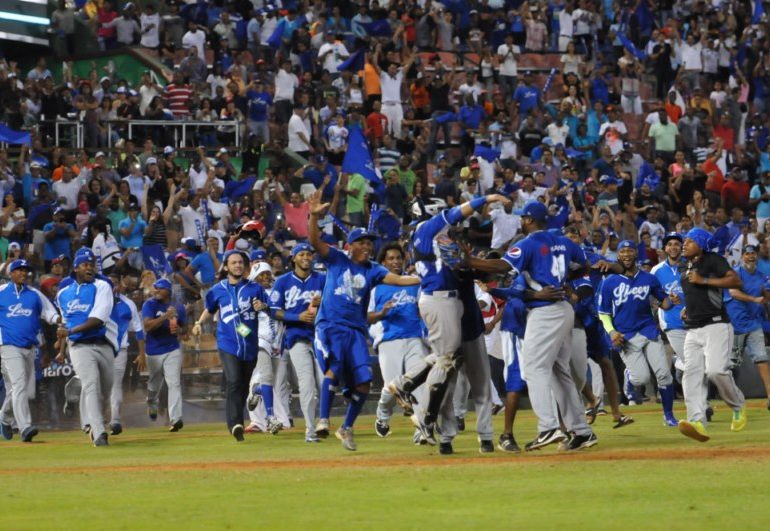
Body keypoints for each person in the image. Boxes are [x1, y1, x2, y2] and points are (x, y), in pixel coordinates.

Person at [465, 200, 597, 451]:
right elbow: (584, 266)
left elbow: (502, 266)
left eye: (522, 219)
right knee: (560, 371)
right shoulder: (565, 241)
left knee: (534, 368)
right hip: (564, 309)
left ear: (528, 220)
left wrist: (470, 260)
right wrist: (566, 282)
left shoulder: (527, 243)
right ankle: (581, 431)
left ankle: (548, 428)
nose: (520, 222)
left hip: (545, 312)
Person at [387, 193, 510, 455]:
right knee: (448, 371)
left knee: (474, 380)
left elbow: (482, 271)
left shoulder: (435, 245)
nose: (453, 236)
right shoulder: (430, 231)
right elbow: (455, 215)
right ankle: (430, 421)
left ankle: (483, 436)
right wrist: (486, 198)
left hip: (466, 319)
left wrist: (471, 262)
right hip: (445, 305)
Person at [307, 189, 420, 451]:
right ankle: (322, 420)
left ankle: (346, 427)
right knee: (334, 367)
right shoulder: (336, 258)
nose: (368, 247)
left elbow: (399, 279)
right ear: (350, 245)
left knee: (365, 381)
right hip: (331, 325)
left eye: (370, 243)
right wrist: (313, 217)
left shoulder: (374, 270)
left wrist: (426, 278)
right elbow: (315, 241)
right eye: (362, 242)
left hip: (356, 330)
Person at [598, 240, 679, 427]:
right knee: (641, 378)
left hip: (648, 330)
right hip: (626, 336)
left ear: (636, 254)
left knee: (663, 374)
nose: (626, 254)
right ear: (618, 255)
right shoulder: (609, 282)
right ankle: (629, 378)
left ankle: (668, 415)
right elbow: (603, 313)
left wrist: (670, 301)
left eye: (630, 251)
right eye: (623, 251)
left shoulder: (649, 278)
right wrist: (611, 332)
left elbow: (663, 302)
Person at [677, 228, 747, 442]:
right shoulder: (685, 264)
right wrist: (687, 307)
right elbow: (694, 292)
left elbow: (736, 281)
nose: (684, 244)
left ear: (701, 244)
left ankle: (738, 405)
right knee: (691, 375)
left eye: (689, 241)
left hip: (716, 325)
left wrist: (705, 280)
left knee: (716, 372)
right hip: (693, 328)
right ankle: (697, 421)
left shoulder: (713, 260)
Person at [191, 250, 269, 441]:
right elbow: (209, 310)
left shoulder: (255, 288)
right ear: (226, 266)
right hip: (228, 343)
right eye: (233, 262)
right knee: (233, 381)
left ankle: (237, 419)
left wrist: (262, 306)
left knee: (242, 386)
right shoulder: (217, 290)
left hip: (250, 344)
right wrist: (198, 324)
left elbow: (268, 309)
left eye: (241, 262)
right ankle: (235, 424)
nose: (237, 266)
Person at [56, 248, 116, 447]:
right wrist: (61, 349)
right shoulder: (63, 293)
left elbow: (97, 320)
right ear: (76, 269)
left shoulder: (102, 286)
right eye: (85, 264)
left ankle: (76, 390)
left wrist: (70, 332)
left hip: (103, 344)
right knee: (92, 385)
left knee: (105, 391)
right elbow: (63, 325)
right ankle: (98, 432)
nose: (89, 267)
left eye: (92, 264)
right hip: (79, 347)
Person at [367, 242, 427, 440]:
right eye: (390, 258)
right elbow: (367, 316)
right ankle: (383, 415)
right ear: (383, 262)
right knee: (392, 386)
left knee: (418, 384)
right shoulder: (376, 288)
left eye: (398, 258)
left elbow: (424, 308)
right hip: (389, 340)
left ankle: (421, 429)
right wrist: (382, 313)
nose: (395, 262)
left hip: (414, 338)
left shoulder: (414, 283)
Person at [270, 243, 326, 442]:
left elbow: (336, 304)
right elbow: (274, 311)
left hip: (321, 337)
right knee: (307, 383)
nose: (306, 257)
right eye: (301, 254)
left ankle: (322, 422)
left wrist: (323, 303)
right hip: (296, 337)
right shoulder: (283, 281)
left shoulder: (322, 279)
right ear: (293, 258)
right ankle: (310, 430)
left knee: (325, 382)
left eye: (309, 254)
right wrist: (297, 317)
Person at [0, 259, 60, 442]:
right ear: (10, 273)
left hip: (29, 347)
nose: (23, 273)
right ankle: (25, 427)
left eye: (26, 270)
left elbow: (50, 313)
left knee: (18, 388)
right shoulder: (1, 292)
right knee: (19, 385)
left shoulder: (34, 294)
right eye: (19, 270)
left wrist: (58, 320)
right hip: (8, 346)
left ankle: (4, 417)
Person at [725, 245, 770, 407]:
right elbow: (733, 293)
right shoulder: (735, 273)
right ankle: (733, 399)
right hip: (734, 325)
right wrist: (754, 299)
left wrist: (766, 294)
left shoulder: (762, 276)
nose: (751, 256)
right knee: (730, 365)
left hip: (753, 324)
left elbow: (767, 295)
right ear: (742, 256)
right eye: (747, 253)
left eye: (753, 253)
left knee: (761, 358)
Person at [142, 278, 187, 433]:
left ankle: (175, 419)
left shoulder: (178, 307)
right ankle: (151, 402)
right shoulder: (149, 304)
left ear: (168, 291)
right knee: (154, 385)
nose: (156, 291)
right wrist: (164, 317)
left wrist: (179, 331)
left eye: (160, 288)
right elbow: (147, 327)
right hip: (153, 350)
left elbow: (185, 331)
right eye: (155, 288)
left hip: (172, 348)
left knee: (174, 383)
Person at [107, 272, 145, 436]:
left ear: (120, 285)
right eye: (110, 283)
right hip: (100, 348)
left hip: (120, 349)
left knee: (115, 385)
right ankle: (89, 420)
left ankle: (115, 420)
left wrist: (142, 353)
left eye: (115, 283)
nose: (113, 286)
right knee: (96, 385)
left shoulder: (128, 304)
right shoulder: (95, 301)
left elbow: (138, 329)